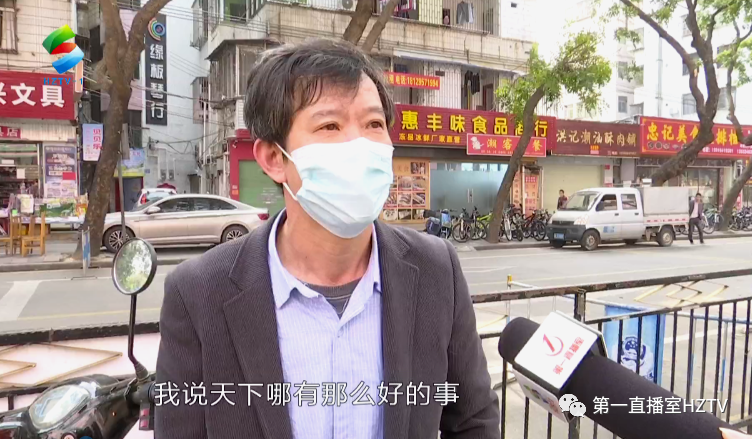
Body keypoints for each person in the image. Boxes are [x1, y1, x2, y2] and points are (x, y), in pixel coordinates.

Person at [155, 38, 499, 439]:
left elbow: (473, 421)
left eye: (373, 124)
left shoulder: (436, 270)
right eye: (330, 126)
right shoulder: (198, 293)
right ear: (273, 158)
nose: (360, 145)